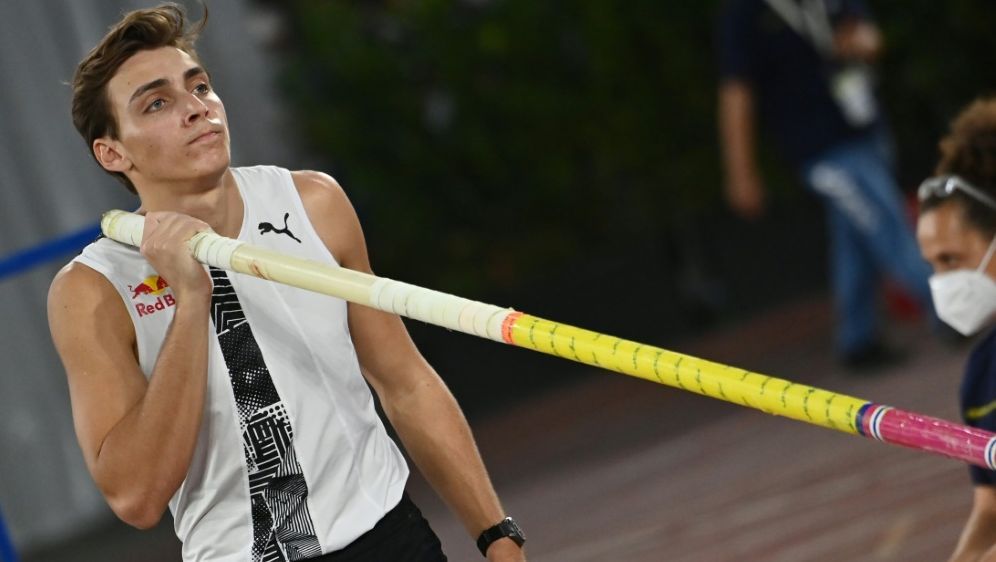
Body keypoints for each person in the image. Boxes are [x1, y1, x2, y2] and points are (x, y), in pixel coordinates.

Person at [47, 4, 526, 561]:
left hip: (388, 538)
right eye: (158, 102)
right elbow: (135, 496)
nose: (196, 110)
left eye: (199, 87)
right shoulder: (92, 290)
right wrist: (192, 296)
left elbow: (405, 382)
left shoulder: (311, 204)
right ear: (113, 152)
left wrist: (496, 536)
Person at [717, 0, 936, 368]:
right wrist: (740, 171)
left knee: (854, 235)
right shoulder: (745, 14)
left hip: (865, 129)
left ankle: (857, 339)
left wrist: (864, 43)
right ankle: (951, 307)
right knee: (883, 221)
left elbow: (868, 34)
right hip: (817, 150)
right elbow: (736, 93)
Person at [916, 98, 996, 562]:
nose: (944, 285)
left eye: (952, 260)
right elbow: (990, 505)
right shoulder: (982, 378)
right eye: (932, 267)